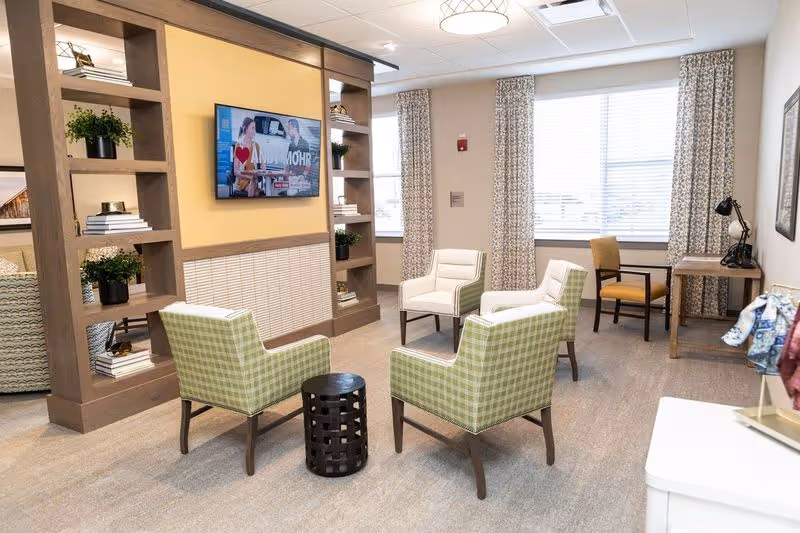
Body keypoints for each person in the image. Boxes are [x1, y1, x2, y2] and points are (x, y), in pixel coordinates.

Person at [232, 117, 264, 197]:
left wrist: (263, 169)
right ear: (246, 129)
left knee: (255, 188)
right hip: (242, 180)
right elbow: (236, 171)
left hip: (254, 180)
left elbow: (263, 166)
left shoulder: (256, 146)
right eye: (252, 128)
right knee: (255, 191)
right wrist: (249, 178)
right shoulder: (239, 146)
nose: (254, 131)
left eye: (255, 128)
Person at [284, 118, 311, 196]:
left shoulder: (305, 144)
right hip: (292, 177)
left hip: (300, 178)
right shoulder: (291, 145)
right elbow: (287, 163)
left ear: (295, 129)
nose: (288, 132)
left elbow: (308, 164)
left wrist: (303, 175)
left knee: (291, 193)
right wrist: (285, 174)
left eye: (289, 129)